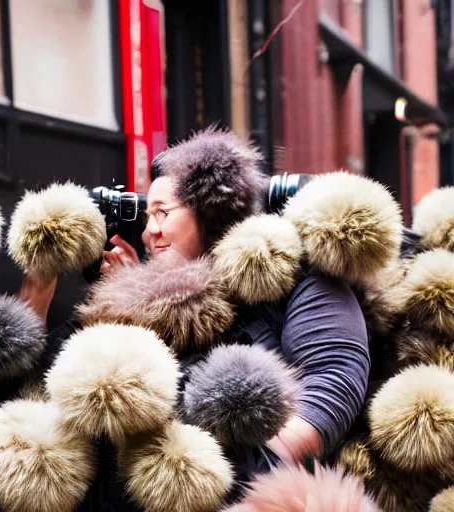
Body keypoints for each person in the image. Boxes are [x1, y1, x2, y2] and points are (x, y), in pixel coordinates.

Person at [20, 127, 370, 469]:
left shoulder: (291, 274)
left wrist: (252, 475)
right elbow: (44, 393)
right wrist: (49, 281)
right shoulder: (130, 300)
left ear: (211, 212)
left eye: (162, 213)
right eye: (147, 217)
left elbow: (334, 379)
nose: (148, 232)